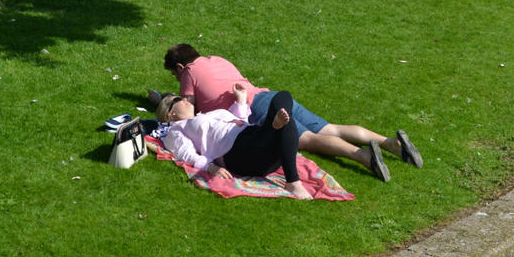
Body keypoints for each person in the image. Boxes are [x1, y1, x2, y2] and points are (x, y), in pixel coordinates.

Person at [159, 44, 423, 182]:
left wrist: (161, 102)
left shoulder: (189, 72)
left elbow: (189, 110)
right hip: (268, 95)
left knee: (306, 139)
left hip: (255, 108)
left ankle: (364, 156)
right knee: (330, 128)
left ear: (180, 66)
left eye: (174, 74)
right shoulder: (218, 60)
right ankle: (393, 144)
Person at [157, 84, 313, 199]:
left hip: (255, 141)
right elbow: (185, 152)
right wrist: (210, 167)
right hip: (239, 154)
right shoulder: (176, 129)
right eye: (177, 99)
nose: (184, 98)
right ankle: (293, 182)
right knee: (281, 121)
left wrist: (241, 101)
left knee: (283, 98)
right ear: (171, 114)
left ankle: (274, 128)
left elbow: (237, 121)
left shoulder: (205, 115)